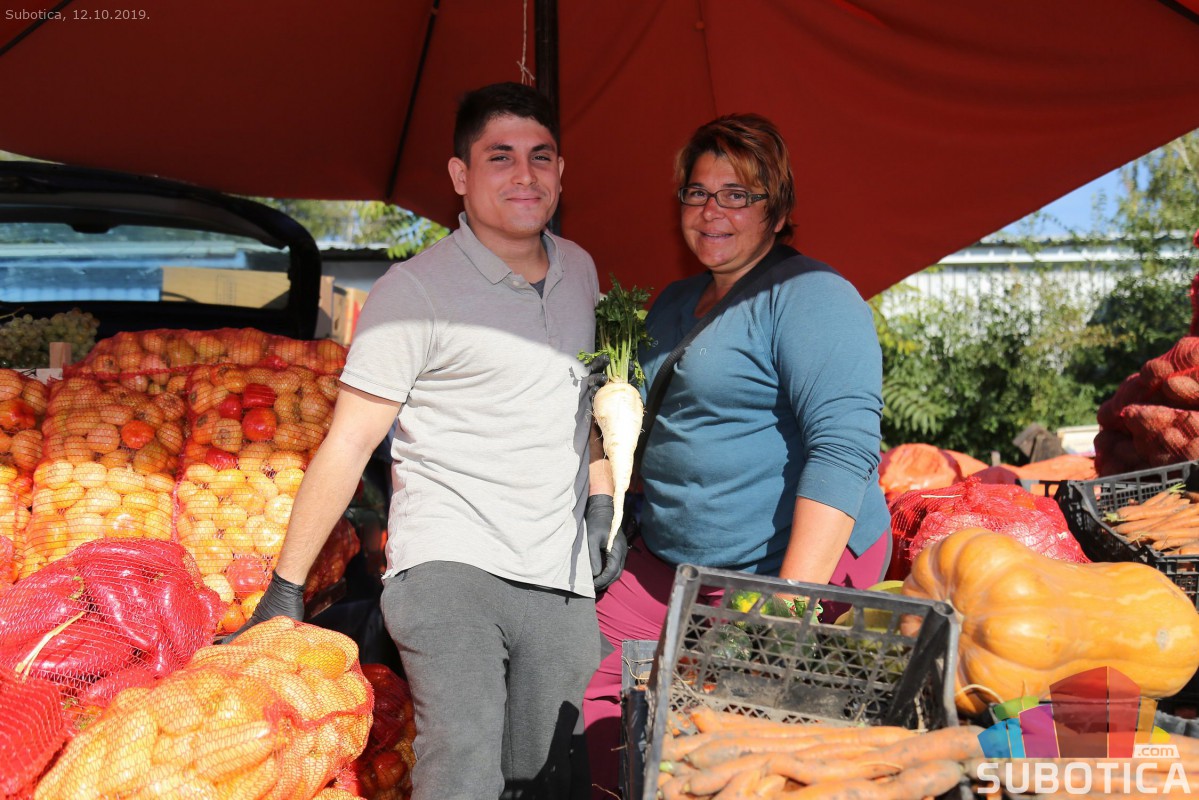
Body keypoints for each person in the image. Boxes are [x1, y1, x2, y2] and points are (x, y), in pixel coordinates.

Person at [229, 81, 606, 800]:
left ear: (561, 171)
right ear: (461, 175)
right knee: (462, 761)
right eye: (500, 157)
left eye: (541, 156)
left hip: (557, 574)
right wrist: (286, 587)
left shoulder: (580, 272)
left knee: (550, 773)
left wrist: (600, 499)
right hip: (449, 566)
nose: (525, 175)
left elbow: (582, 402)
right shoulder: (414, 292)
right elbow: (348, 443)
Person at [582, 113, 891, 796]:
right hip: (668, 564)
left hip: (777, 569)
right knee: (594, 692)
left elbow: (844, 450)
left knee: (735, 747)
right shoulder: (674, 302)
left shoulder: (811, 297)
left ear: (775, 211)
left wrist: (789, 605)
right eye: (697, 192)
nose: (711, 211)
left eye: (736, 195)